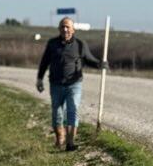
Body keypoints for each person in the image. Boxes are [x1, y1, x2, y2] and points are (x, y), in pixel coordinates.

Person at [37, 17, 106, 151]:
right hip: (56, 84)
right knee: (57, 113)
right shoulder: (52, 44)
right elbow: (44, 62)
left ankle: (70, 143)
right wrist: (39, 79)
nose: (65, 29)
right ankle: (60, 139)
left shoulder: (80, 45)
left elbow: (89, 59)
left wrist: (100, 64)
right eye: (62, 26)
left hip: (74, 84)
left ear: (73, 29)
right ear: (59, 29)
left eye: (68, 27)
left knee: (72, 110)